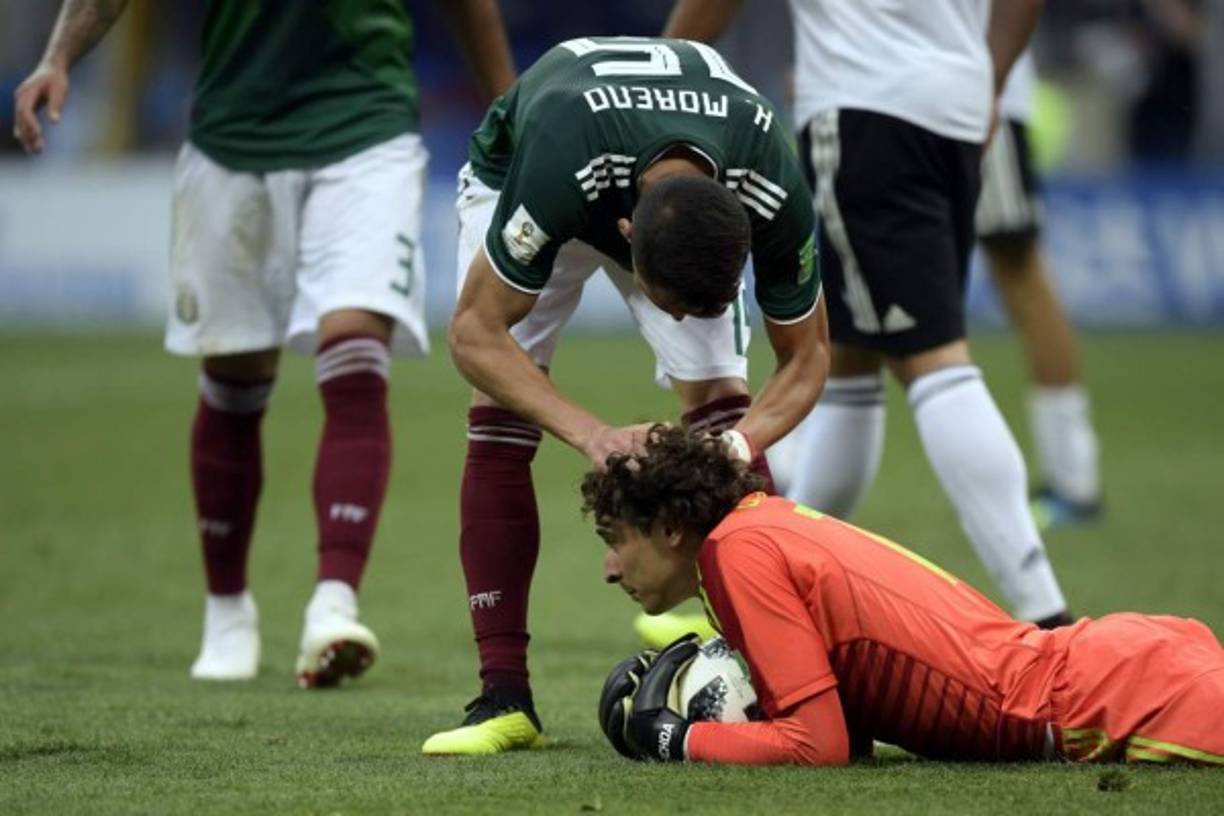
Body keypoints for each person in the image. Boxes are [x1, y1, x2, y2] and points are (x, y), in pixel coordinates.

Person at [13, 0, 516, 687]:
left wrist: (509, 108)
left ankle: (333, 603)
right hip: (232, 138)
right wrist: (57, 58)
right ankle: (227, 611)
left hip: (366, 131)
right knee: (235, 373)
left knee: (356, 347)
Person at [423, 36, 831, 755]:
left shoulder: (770, 176)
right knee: (501, 411)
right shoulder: (556, 162)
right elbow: (474, 337)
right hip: (532, 171)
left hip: (648, 170)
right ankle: (502, 700)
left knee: (723, 407)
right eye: (669, 307)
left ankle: (783, 674)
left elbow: (807, 359)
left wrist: (736, 446)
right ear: (624, 240)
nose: (678, 323)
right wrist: (593, 435)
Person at [666, 0, 1073, 627]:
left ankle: (1046, 611)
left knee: (930, 356)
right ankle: (771, 585)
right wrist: (987, 78)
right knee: (850, 357)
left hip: (864, 108)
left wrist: (655, 73)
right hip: (956, 110)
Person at [587, 426, 1224, 766]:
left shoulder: (737, 554)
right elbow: (851, 731)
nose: (610, 569)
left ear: (670, 529)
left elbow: (817, 747)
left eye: (615, 539)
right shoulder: (755, 525)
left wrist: (674, 738)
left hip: (1106, 701)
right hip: (1106, 666)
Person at [977, 49, 1102, 529]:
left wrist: (990, 80)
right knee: (861, 281)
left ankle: (1074, 478)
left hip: (978, 101)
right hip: (896, 101)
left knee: (1020, 276)